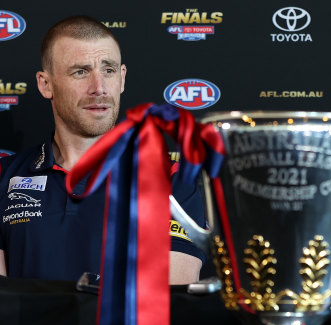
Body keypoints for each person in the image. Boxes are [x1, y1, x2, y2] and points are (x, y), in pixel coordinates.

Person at [0, 15, 206, 284]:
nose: (99, 88)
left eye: (108, 70)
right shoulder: (5, 177)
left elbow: (170, 303)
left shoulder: (172, 179)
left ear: (121, 78)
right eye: (80, 72)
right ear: (45, 84)